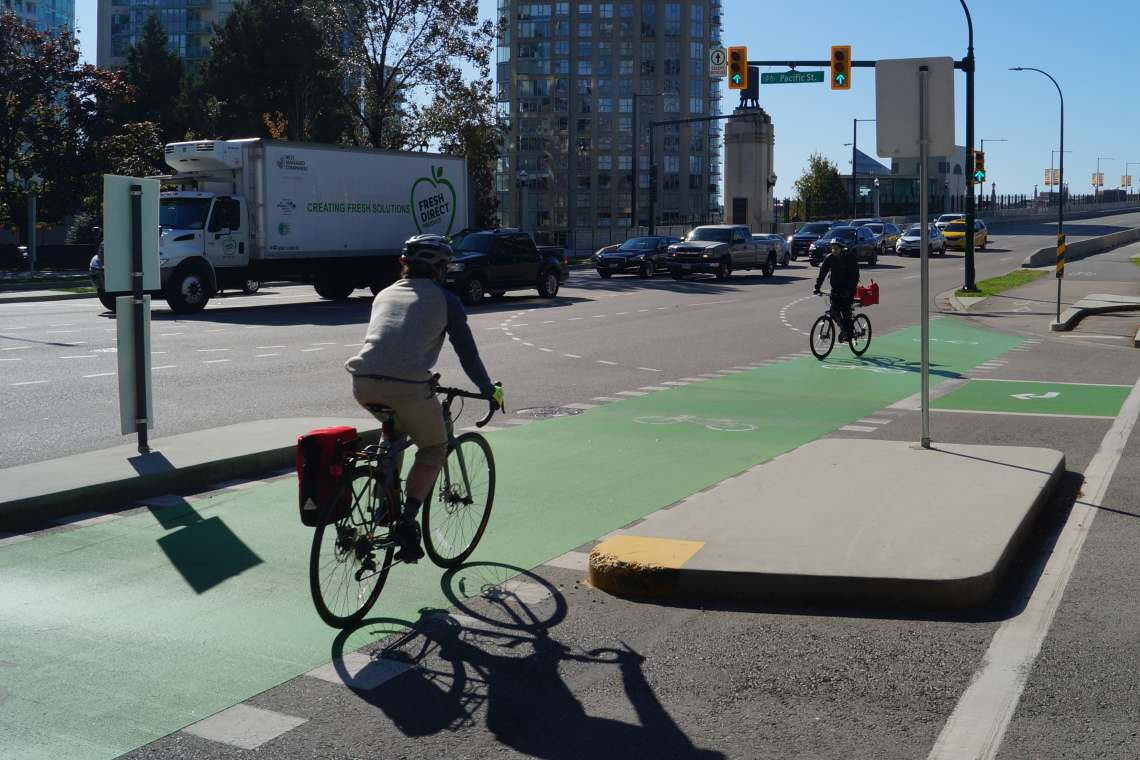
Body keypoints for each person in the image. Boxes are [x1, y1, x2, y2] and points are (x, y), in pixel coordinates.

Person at [345, 236, 502, 563]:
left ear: (404, 264)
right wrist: (488, 389)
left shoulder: (384, 294)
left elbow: (390, 345)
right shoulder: (446, 300)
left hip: (362, 383)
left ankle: (384, 506)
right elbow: (468, 356)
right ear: (440, 268)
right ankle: (406, 520)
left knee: (395, 434)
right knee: (433, 448)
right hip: (407, 388)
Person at [813, 240, 860, 341]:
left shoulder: (849, 258)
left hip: (848, 289)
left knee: (846, 311)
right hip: (836, 289)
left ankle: (849, 333)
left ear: (841, 249)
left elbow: (855, 276)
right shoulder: (829, 258)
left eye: (836, 249)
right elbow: (822, 273)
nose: (834, 251)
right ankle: (844, 330)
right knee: (833, 311)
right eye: (832, 248)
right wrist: (817, 287)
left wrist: (849, 290)